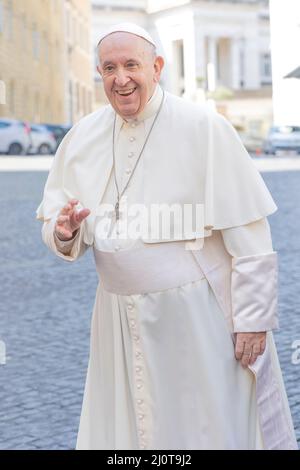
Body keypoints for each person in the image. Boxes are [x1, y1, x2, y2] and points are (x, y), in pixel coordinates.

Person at [36, 23, 298, 450]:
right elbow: (61, 226)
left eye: (131, 65)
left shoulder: (204, 128)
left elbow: (249, 234)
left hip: (196, 317)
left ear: (156, 67)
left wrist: (253, 321)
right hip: (117, 320)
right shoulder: (81, 138)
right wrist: (63, 231)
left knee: (202, 429)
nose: (121, 79)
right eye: (109, 68)